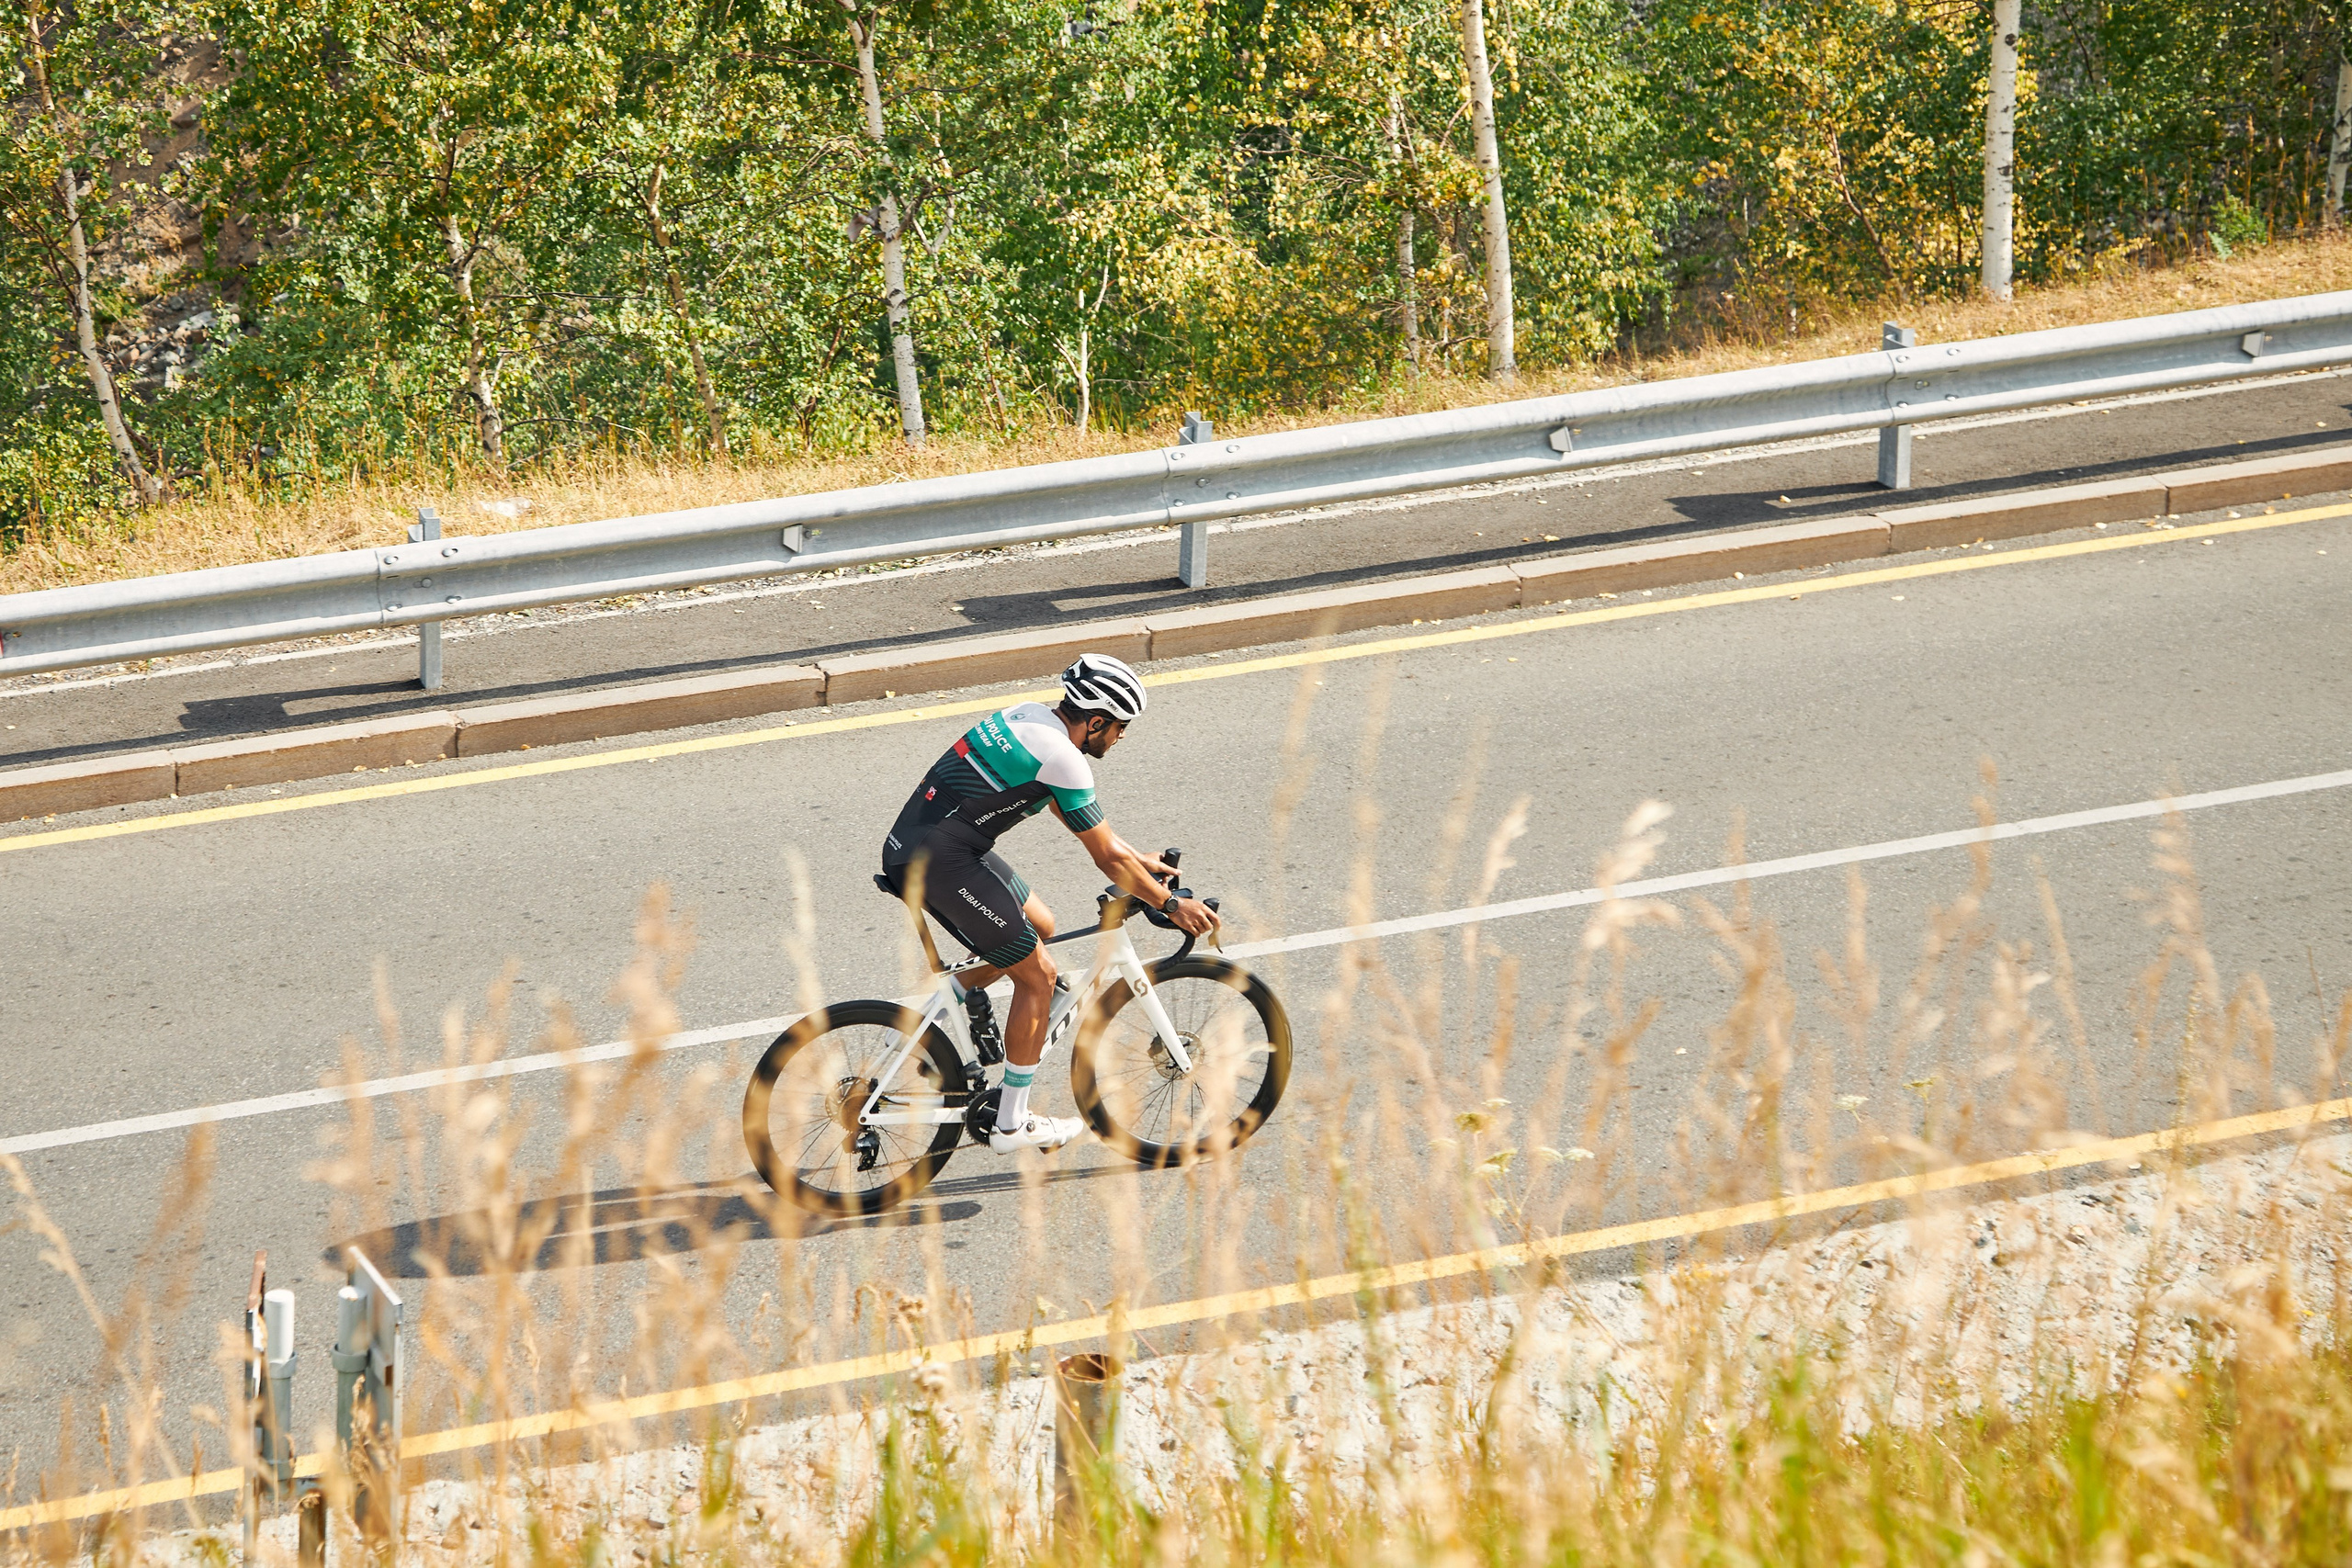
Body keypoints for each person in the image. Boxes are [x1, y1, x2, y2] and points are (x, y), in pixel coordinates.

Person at [879, 653, 1218, 1152]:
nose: (1121, 737)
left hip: (932, 847)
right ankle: (1011, 1124)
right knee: (1037, 977)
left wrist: (1133, 857)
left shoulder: (1029, 717)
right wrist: (1170, 905)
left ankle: (923, 1023)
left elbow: (1064, 807)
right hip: (941, 862)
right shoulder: (1065, 758)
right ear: (1097, 720)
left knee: (1039, 924)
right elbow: (1105, 857)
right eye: (1120, 727)